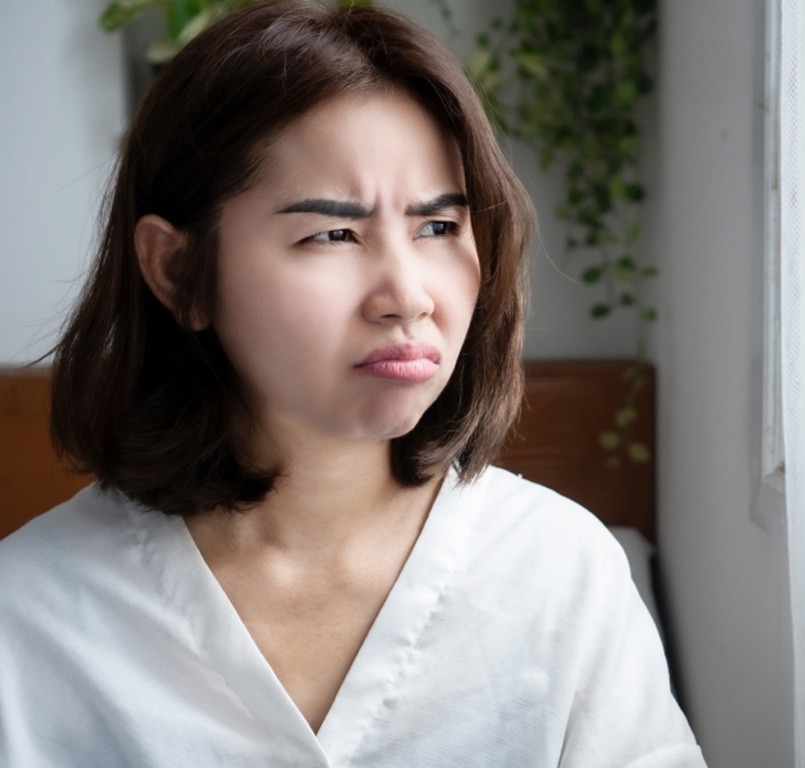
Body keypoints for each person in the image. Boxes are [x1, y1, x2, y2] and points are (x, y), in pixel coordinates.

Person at [0, 2, 705, 765]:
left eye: (438, 227)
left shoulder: (560, 569)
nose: (407, 295)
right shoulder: (29, 618)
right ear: (178, 271)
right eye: (332, 234)